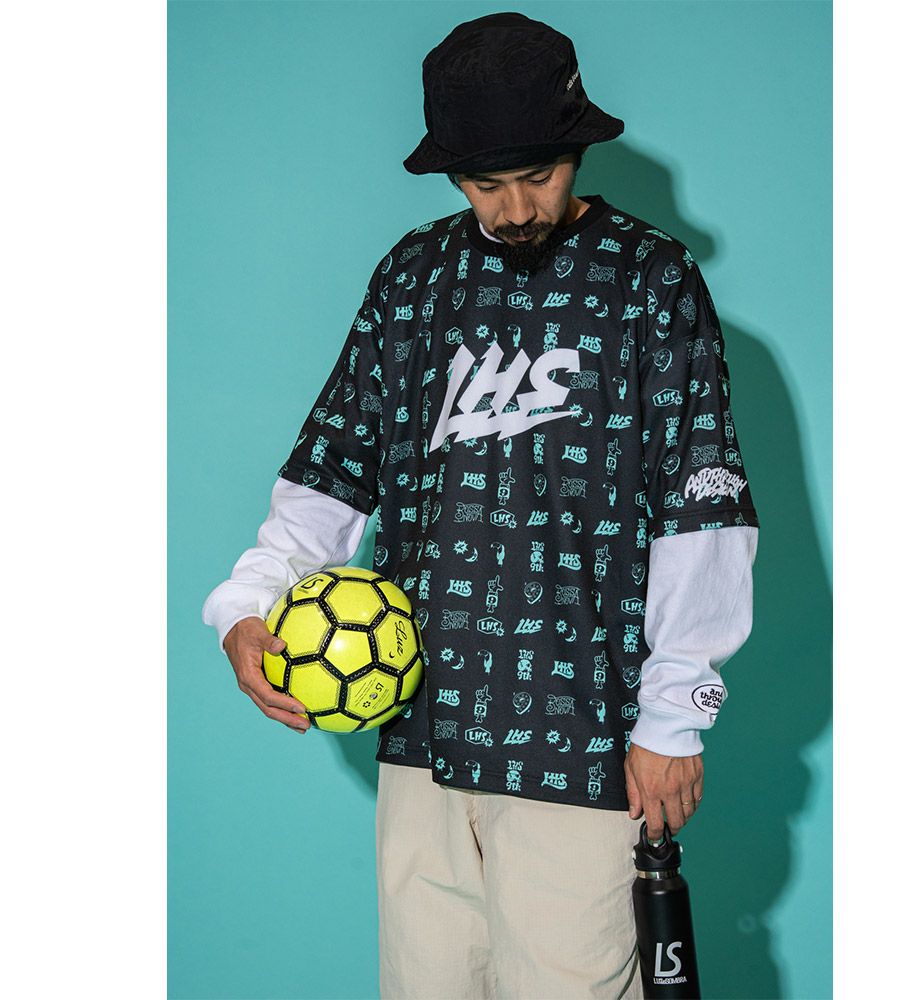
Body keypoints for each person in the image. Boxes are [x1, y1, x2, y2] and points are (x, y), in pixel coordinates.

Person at [203, 11, 760, 999]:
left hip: (579, 735)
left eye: (536, 176)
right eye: (483, 184)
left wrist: (674, 717)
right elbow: (333, 465)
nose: (514, 209)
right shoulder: (413, 277)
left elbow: (702, 509)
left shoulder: (651, 279)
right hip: (420, 731)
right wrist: (246, 604)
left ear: (577, 151)